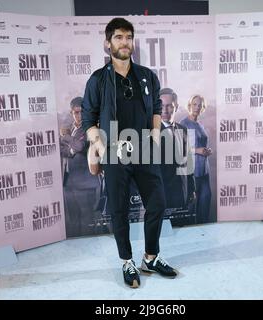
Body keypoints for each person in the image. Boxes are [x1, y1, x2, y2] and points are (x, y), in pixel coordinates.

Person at [81, 18, 178, 288]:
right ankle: (127, 261)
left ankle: (150, 257)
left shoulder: (147, 75)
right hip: (114, 153)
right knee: (119, 210)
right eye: (119, 37)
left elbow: (157, 107)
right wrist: (100, 149)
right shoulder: (98, 80)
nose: (124, 42)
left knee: (157, 202)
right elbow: (89, 120)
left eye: (128, 37)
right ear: (108, 43)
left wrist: (156, 134)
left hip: (144, 150)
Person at [60, 97, 101, 237]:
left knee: (87, 218)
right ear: (71, 113)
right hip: (69, 181)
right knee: (73, 218)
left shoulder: (91, 128)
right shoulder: (72, 128)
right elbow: (63, 151)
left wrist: (66, 137)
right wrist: (72, 149)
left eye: (82, 112)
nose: (79, 116)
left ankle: (92, 249)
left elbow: (80, 146)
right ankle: (78, 249)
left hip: (86, 182)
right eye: (76, 112)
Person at [159, 88, 196, 226]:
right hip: (162, 196)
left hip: (183, 192)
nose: (165, 110)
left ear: (176, 107)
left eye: (169, 106)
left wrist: (192, 189)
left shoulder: (183, 129)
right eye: (161, 106)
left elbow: (188, 161)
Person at [180, 95, 212, 224]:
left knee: (204, 207)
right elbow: (179, 149)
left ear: (202, 108)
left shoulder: (200, 125)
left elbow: (202, 144)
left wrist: (207, 150)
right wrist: (197, 150)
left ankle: (204, 236)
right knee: (191, 209)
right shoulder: (184, 123)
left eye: (200, 105)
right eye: (194, 104)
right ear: (190, 105)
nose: (197, 107)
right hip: (192, 173)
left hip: (205, 172)